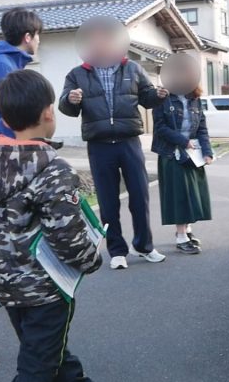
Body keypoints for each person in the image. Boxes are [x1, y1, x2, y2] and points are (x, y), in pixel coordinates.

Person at [0, 69, 131, 382]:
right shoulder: (52, 169)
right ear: (49, 114)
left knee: (46, 350)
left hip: (4, 281)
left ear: (4, 119)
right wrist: (92, 259)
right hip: (46, 285)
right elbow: (67, 232)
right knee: (40, 358)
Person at [58, 16, 169, 270]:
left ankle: (145, 246)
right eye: (95, 41)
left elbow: (147, 98)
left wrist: (159, 95)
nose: (101, 45)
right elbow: (65, 106)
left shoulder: (132, 69)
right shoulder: (77, 74)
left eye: (105, 40)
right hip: (99, 145)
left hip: (129, 141)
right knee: (108, 201)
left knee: (140, 196)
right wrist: (71, 99)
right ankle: (117, 251)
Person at [151, 53, 214, 254]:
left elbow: (202, 128)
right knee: (180, 196)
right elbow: (160, 128)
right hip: (172, 154)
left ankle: (187, 230)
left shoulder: (195, 99)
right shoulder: (162, 98)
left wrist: (207, 152)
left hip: (193, 154)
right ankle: (180, 236)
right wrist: (183, 141)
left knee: (194, 195)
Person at [0, 7, 43, 144]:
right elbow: (4, 114)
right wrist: (19, 145)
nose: (38, 40)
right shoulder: (3, 65)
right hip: (4, 148)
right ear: (27, 37)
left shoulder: (11, 63)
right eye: (37, 34)